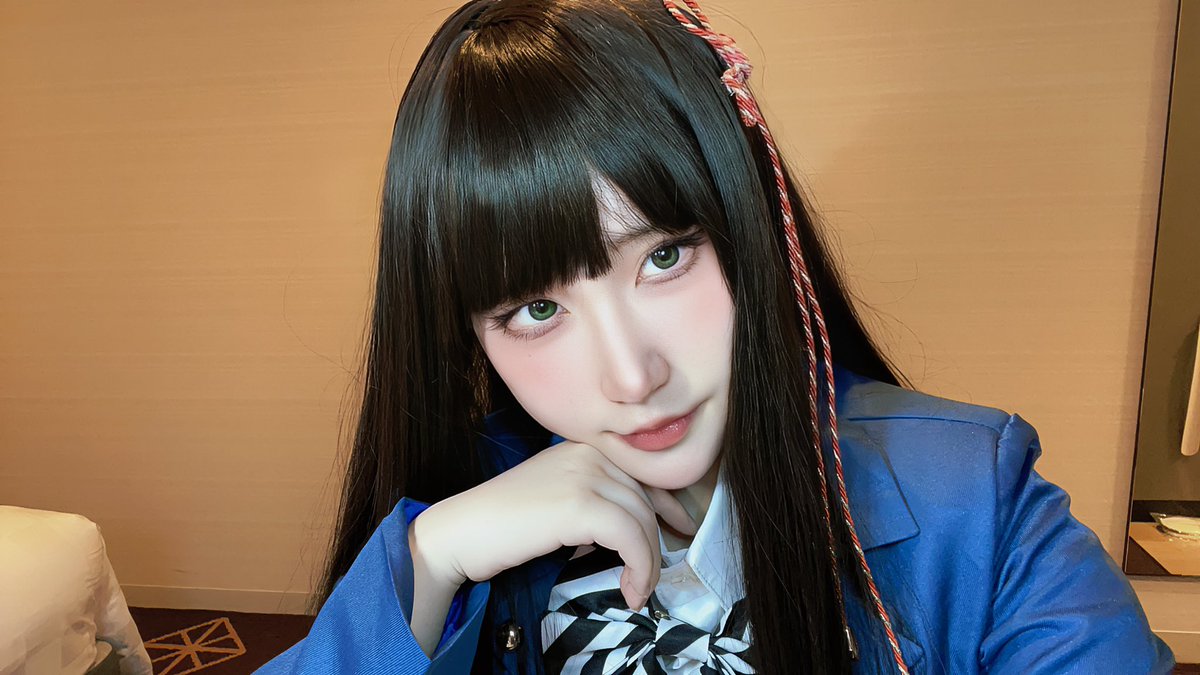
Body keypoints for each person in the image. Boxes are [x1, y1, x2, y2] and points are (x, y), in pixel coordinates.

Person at [256, 0, 1176, 672]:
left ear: (750, 229)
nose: (631, 375)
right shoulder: (461, 511)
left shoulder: (975, 499)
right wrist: (429, 564)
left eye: (663, 257)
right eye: (535, 309)